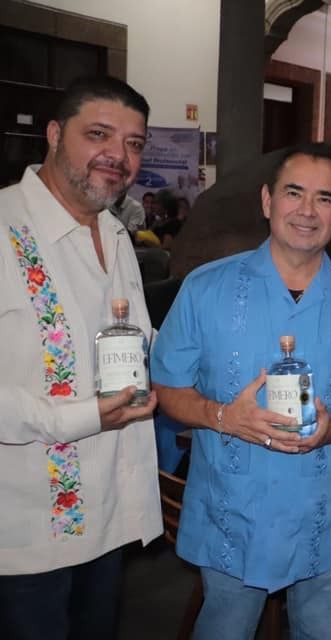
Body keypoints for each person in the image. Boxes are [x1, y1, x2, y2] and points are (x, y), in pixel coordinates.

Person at [150, 143, 331, 640]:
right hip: (232, 511)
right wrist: (225, 417)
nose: (307, 210)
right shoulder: (205, 288)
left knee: (320, 632)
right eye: (294, 193)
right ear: (268, 200)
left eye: (325, 198)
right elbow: (167, 386)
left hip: (327, 514)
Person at [0, 76, 162, 639]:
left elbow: (133, 343)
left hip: (111, 516)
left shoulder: (116, 234)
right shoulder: (3, 227)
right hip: (25, 536)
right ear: (53, 134)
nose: (118, 156)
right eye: (98, 134)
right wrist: (82, 415)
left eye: (134, 143)